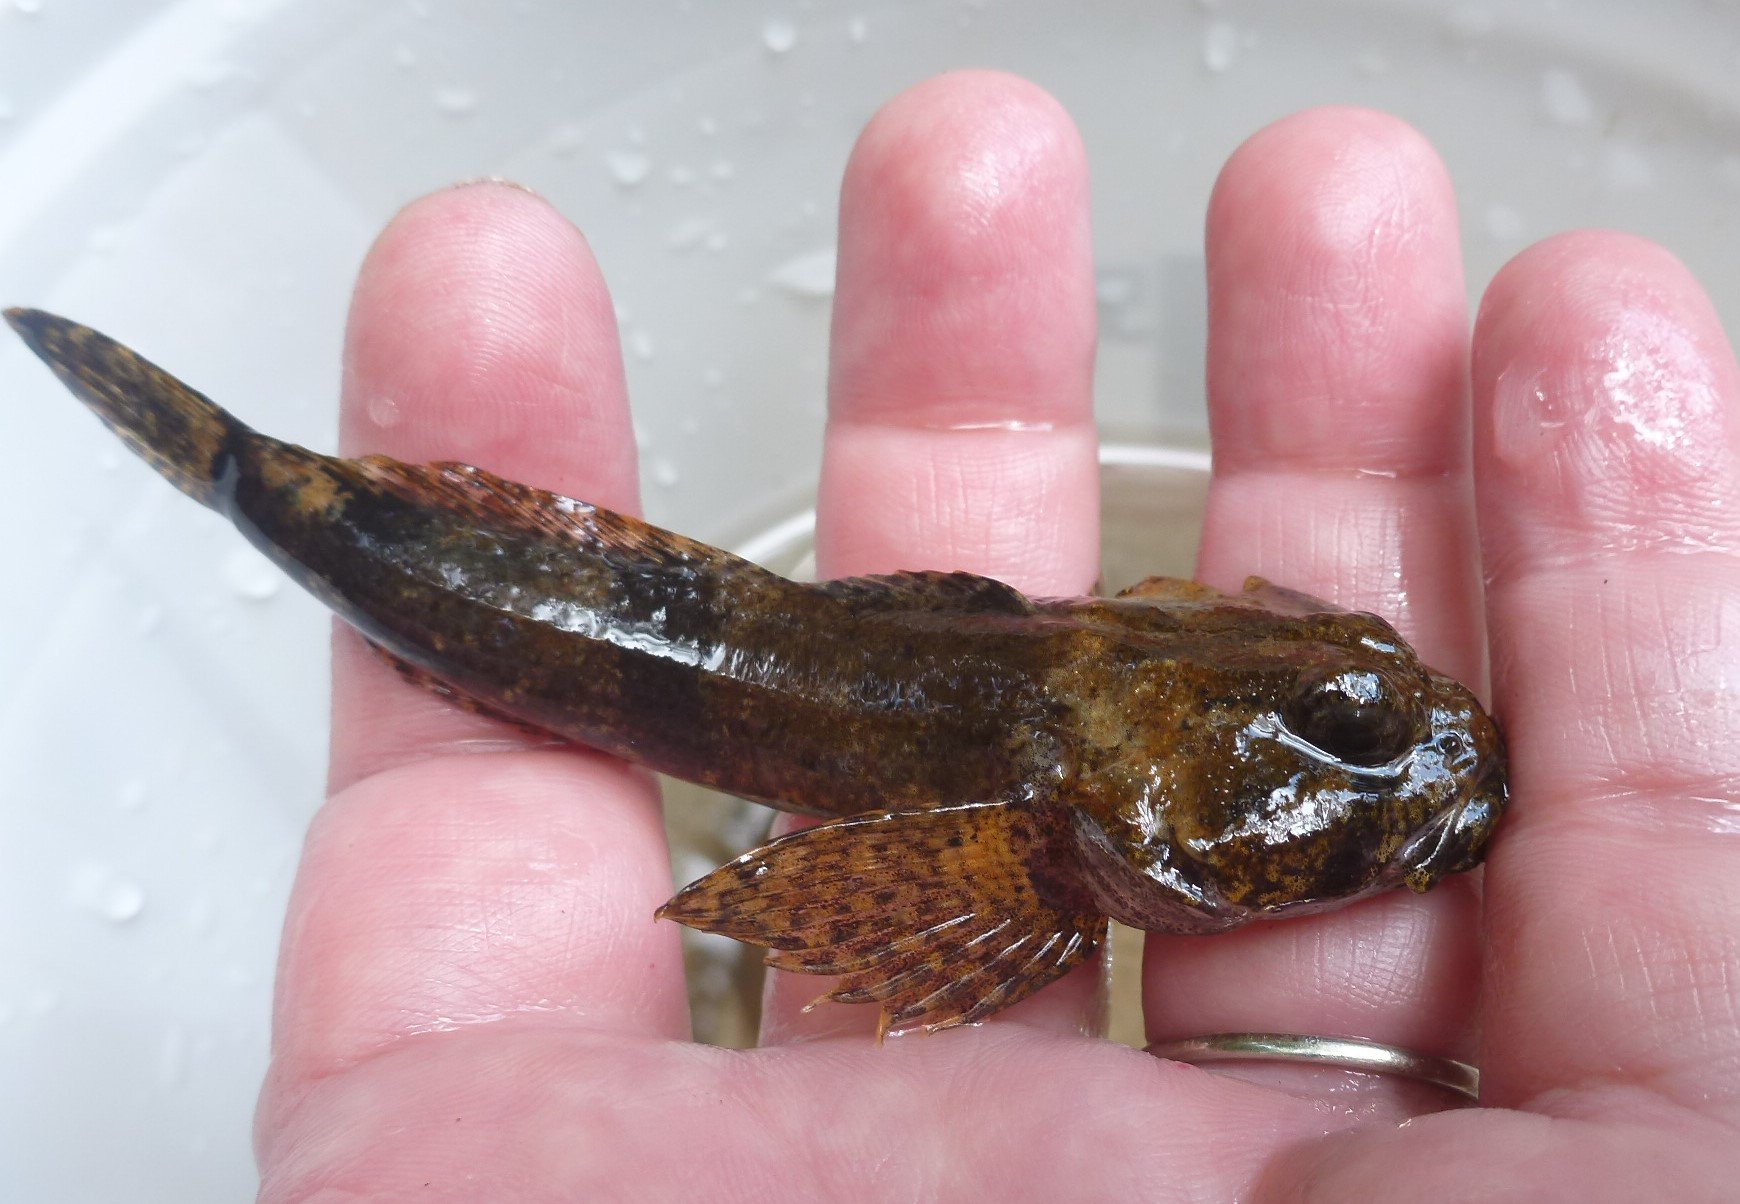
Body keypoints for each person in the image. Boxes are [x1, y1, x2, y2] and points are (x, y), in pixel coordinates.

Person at [252, 72, 1740, 1199]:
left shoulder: (1103, 738)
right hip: (686, 646)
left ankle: (249, 474)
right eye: (1354, 728)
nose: (1418, 760)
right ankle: (250, 477)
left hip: (887, 670)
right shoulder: (1063, 811)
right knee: (356, 522)